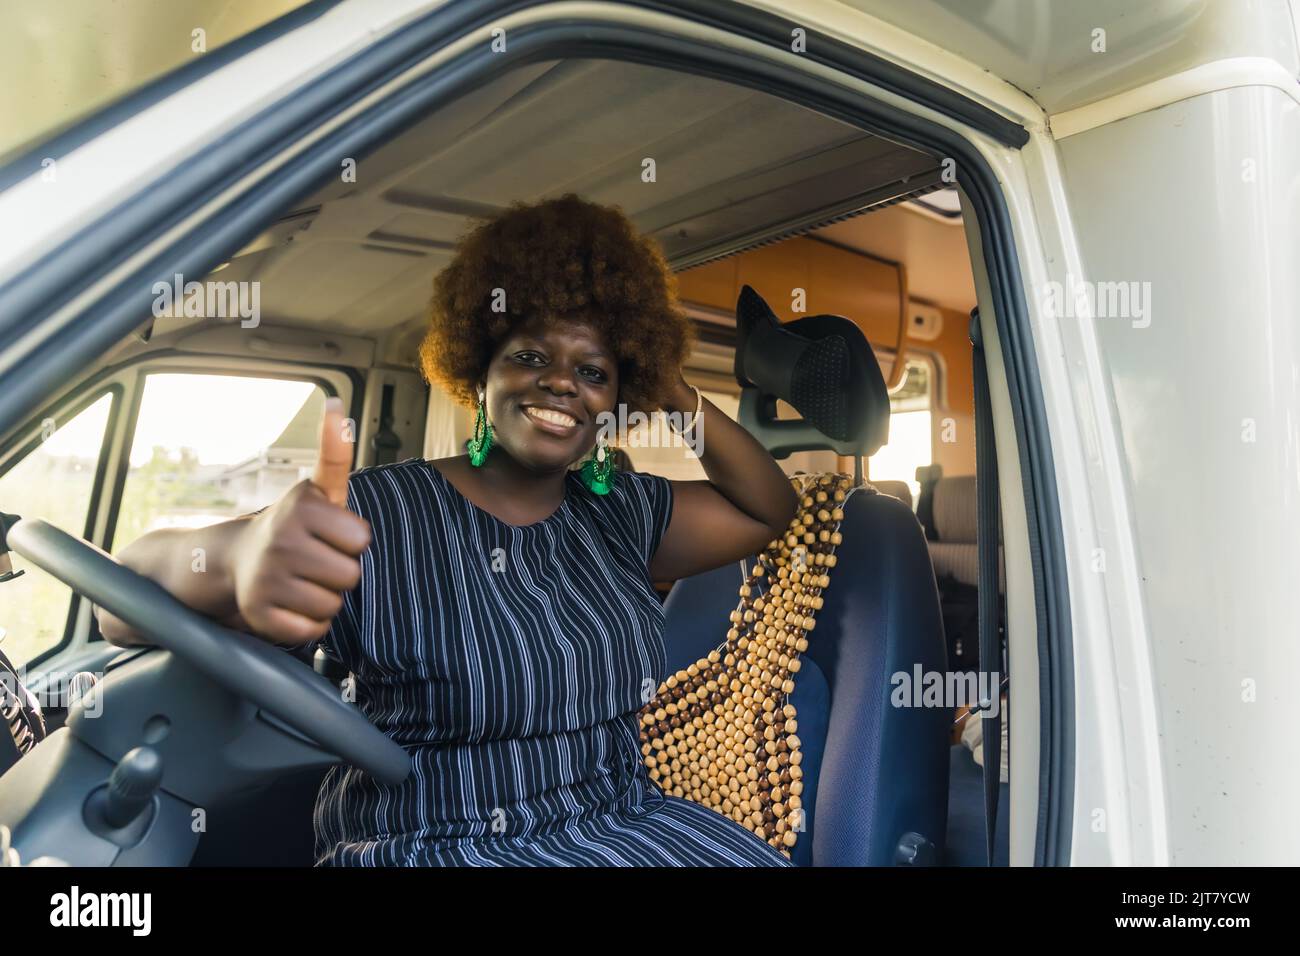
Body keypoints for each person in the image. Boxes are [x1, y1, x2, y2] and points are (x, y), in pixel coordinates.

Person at [96, 193, 799, 867]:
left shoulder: (620, 511)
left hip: (622, 826)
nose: (562, 383)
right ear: (479, 368)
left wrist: (672, 388)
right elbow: (120, 597)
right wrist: (235, 556)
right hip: (437, 842)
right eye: (530, 356)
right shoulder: (378, 512)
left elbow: (767, 511)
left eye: (594, 372)